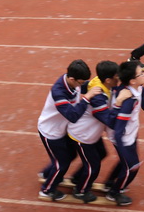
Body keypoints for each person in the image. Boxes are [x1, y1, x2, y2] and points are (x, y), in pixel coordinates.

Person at [67, 60, 132, 203]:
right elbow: (109, 120)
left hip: (91, 133)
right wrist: (119, 102)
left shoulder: (99, 81)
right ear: (108, 80)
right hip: (82, 135)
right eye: (117, 77)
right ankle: (80, 191)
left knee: (102, 153)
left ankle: (77, 178)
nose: (119, 79)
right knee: (93, 166)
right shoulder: (98, 97)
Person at [37, 59, 98, 202]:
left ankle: (47, 174)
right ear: (72, 79)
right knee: (62, 164)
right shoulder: (59, 92)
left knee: (70, 155)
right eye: (80, 82)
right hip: (50, 132)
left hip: (62, 129)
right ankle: (47, 190)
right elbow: (73, 116)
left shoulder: (73, 83)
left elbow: (85, 86)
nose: (81, 85)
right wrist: (87, 98)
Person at [105, 60, 144, 206]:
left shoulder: (137, 88)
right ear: (132, 81)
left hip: (130, 132)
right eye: (141, 73)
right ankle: (114, 192)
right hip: (122, 136)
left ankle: (109, 182)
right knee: (132, 167)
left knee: (125, 162)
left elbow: (143, 95)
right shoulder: (128, 101)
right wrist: (122, 146)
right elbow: (118, 128)